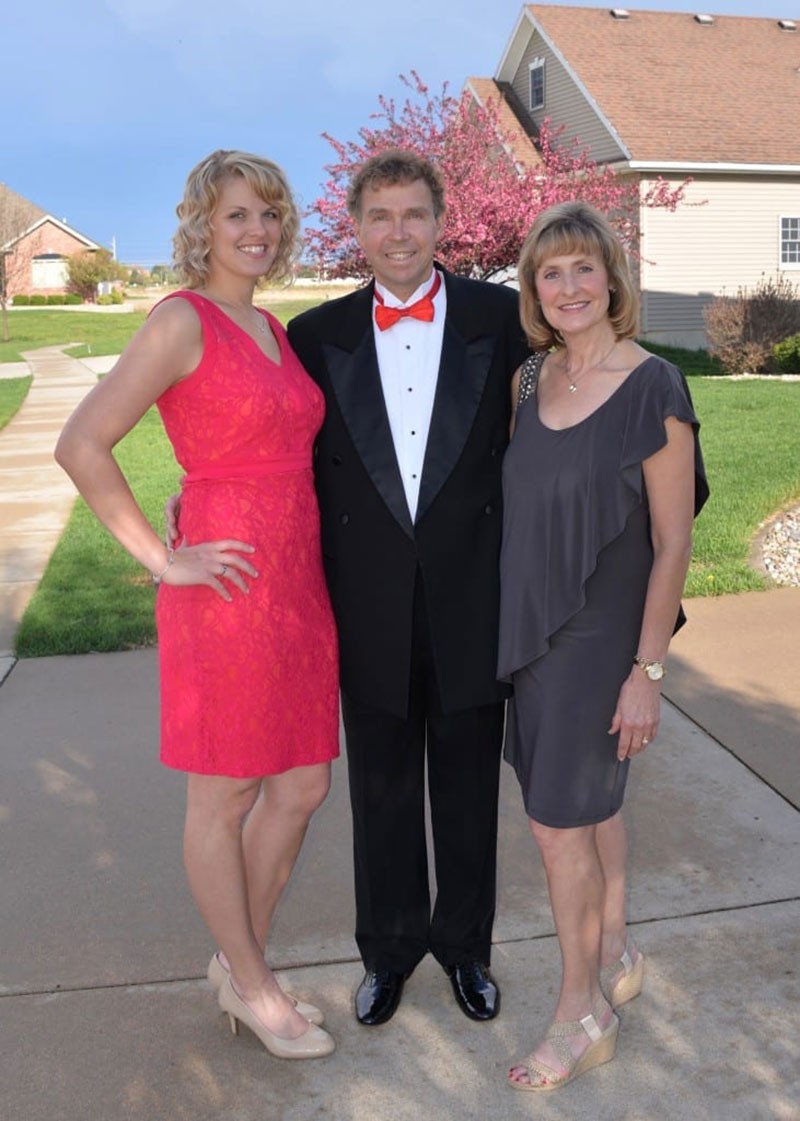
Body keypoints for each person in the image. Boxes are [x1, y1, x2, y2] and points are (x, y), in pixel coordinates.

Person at [55, 150, 338, 1060]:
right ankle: (252, 983)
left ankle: (236, 959)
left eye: (269, 215)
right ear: (201, 228)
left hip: (297, 587)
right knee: (225, 795)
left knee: (301, 784)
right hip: (225, 590)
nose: (257, 231)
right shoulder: (184, 320)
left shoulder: (270, 326)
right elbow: (83, 442)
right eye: (237, 217)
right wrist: (161, 558)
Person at [287, 150, 531, 1025]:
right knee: (380, 791)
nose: (398, 232)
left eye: (413, 215)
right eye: (380, 216)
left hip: (475, 594)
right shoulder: (316, 337)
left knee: (468, 789)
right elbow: (282, 457)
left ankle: (467, 951)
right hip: (369, 601)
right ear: (356, 229)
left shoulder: (503, 317)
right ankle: (388, 953)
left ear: (441, 222)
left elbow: (562, 411)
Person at [499, 201, 708, 1091]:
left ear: (612, 278)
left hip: (600, 637)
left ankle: (580, 1011)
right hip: (532, 632)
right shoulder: (528, 381)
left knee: (556, 826)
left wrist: (646, 671)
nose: (570, 286)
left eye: (586, 268)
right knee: (590, 808)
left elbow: (673, 542)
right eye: (552, 272)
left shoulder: (654, 384)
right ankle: (613, 937)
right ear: (534, 291)